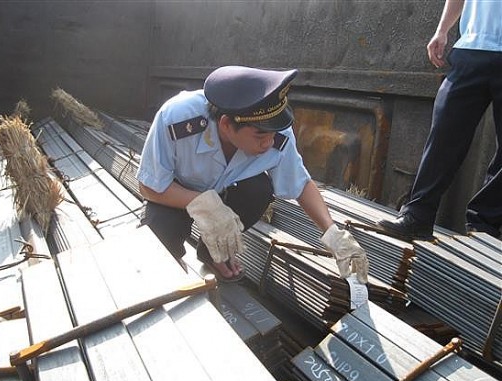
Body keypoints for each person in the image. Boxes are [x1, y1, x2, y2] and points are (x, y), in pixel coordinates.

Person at [136, 65, 369, 283]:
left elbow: (299, 183)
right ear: (227, 125)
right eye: (260, 136)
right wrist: (201, 202)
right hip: (175, 193)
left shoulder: (275, 134)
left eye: (272, 134)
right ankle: (170, 254)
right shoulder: (178, 118)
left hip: (225, 191)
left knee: (259, 191)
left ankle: (216, 252)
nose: (268, 143)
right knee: (159, 242)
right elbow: (149, 186)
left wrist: (333, 233)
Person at [377, 0, 502, 240]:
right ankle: (418, 216)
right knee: (444, 135)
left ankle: (485, 225)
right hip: (471, 47)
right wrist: (442, 29)